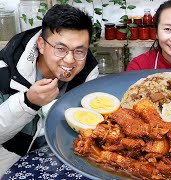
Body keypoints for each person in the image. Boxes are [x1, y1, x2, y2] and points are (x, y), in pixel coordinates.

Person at [0, 4, 99, 176]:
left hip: (65, 161)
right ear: (41, 45)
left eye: (79, 51)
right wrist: (28, 102)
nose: (69, 60)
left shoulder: (88, 73)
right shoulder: (4, 70)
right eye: (60, 49)